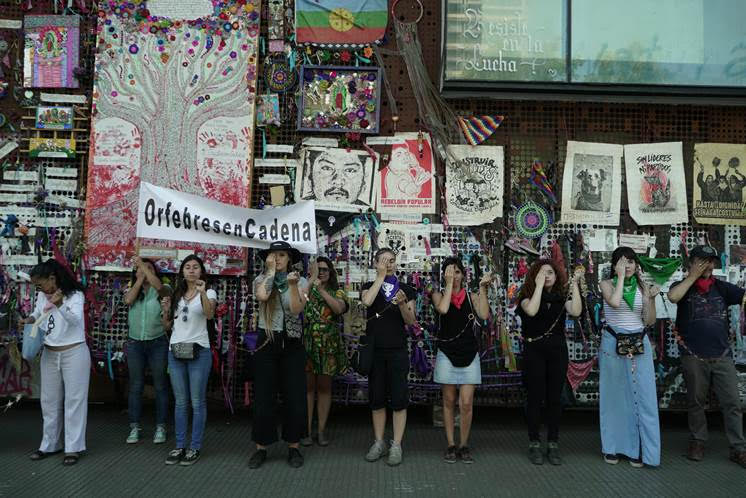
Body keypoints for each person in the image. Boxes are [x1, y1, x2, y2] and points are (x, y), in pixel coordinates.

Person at [667, 245, 746, 469]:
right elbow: (673, 297)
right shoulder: (681, 287)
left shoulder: (721, 288)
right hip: (693, 357)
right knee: (696, 403)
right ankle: (698, 441)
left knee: (732, 403)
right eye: (701, 261)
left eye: (710, 261)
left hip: (722, 356)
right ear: (691, 263)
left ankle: (738, 448)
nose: (707, 266)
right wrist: (692, 277)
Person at [248, 241, 308, 469]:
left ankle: (293, 447)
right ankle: (261, 448)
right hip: (268, 340)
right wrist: (271, 271)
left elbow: (295, 309)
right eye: (274, 255)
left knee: (294, 398)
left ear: (289, 258)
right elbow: (263, 296)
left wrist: (292, 286)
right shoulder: (260, 280)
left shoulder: (300, 281)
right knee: (264, 398)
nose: (278, 258)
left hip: (292, 343)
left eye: (282, 255)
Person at [599, 247, 660, 468]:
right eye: (623, 262)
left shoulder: (642, 286)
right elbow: (614, 303)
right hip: (613, 341)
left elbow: (650, 320)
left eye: (632, 262)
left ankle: (641, 449)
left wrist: (651, 299)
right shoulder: (607, 284)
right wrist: (621, 277)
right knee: (614, 396)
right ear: (615, 265)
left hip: (639, 342)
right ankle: (613, 447)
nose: (629, 265)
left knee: (643, 395)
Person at [516, 259, 582, 465]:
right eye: (542, 273)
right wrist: (537, 285)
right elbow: (532, 310)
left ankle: (553, 442)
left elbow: (577, 311)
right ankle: (534, 442)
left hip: (557, 352)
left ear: (557, 276)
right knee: (535, 397)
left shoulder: (560, 298)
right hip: (534, 352)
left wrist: (575, 286)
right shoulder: (525, 298)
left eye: (551, 272)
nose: (547, 276)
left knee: (555, 398)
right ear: (534, 275)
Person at [26, 259, 88, 466]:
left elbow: (75, 321)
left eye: (40, 284)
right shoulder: (42, 295)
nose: (39, 288)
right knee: (49, 401)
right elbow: (37, 313)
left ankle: (73, 447)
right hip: (50, 353)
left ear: (52, 278)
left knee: (74, 401)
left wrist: (60, 304)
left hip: (74, 351)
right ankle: (50, 444)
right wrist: (29, 319)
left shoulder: (74, 295)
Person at [431, 258, 491, 464]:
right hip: (447, 353)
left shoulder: (471, 296)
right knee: (448, 401)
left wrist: (482, 289)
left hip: (469, 353)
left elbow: (484, 314)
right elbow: (444, 309)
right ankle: (450, 444)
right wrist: (448, 285)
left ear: (463, 275)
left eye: (457, 272)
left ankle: (464, 444)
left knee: (466, 403)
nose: (454, 276)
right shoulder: (437, 294)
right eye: (450, 272)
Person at [361, 248, 417, 466]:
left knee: (399, 398)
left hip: (397, 350)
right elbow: (367, 302)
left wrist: (403, 304)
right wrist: (381, 277)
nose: (389, 264)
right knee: (376, 399)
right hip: (375, 351)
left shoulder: (406, 289)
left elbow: (411, 321)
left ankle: (396, 444)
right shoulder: (368, 286)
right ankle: (378, 442)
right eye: (383, 261)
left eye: (392, 261)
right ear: (375, 263)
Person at [162, 255, 216, 466]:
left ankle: (194, 446)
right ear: (182, 272)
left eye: (195, 267)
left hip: (199, 351)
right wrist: (165, 309)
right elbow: (167, 326)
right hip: (175, 351)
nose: (191, 270)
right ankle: (179, 445)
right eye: (187, 267)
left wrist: (202, 293)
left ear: (201, 271)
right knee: (181, 402)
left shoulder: (209, 291)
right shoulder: (176, 294)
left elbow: (209, 315)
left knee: (196, 401)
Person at [300, 257, 348, 447]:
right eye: (317, 269)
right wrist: (311, 280)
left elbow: (338, 309)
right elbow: (296, 307)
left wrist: (321, 290)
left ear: (331, 272)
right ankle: (306, 430)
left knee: (324, 388)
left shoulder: (338, 291)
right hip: (308, 342)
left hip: (328, 344)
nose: (321, 272)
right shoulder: (306, 289)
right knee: (308, 388)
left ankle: (321, 430)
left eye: (325, 269)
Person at [124, 257, 171, 445]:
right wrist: (138, 280)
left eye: (149, 269)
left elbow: (159, 287)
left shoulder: (162, 291)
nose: (144, 271)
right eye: (140, 269)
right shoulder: (131, 289)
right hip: (135, 344)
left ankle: (161, 426)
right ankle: (134, 427)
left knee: (160, 385)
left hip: (157, 342)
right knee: (136, 386)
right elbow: (128, 300)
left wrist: (143, 267)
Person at [303, 148, 370, 205]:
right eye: (327, 168)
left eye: (350, 170)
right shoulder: (299, 209)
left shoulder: (368, 215)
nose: (338, 182)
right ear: (310, 176)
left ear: (363, 181)